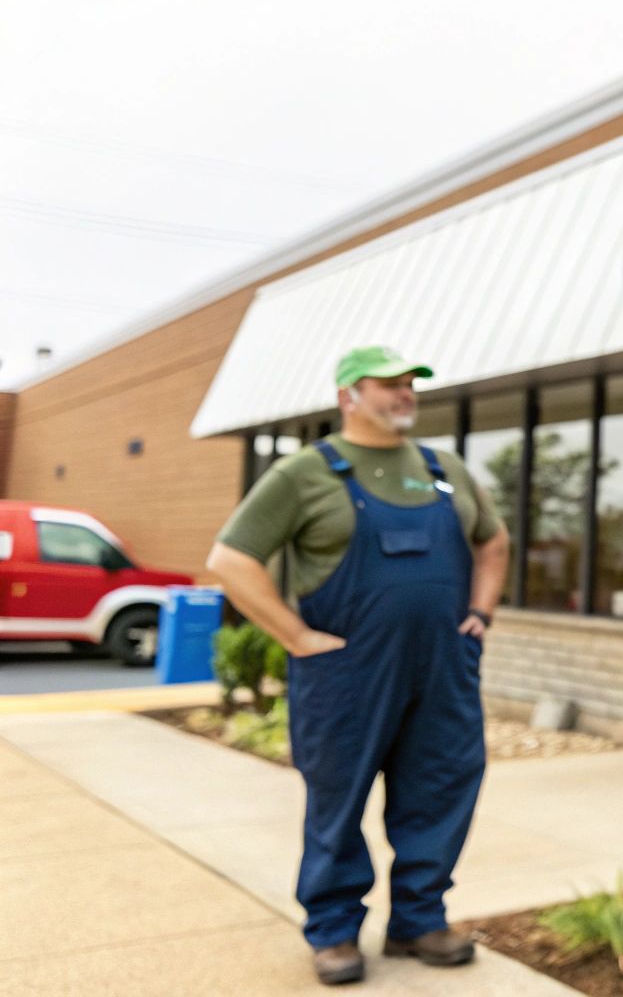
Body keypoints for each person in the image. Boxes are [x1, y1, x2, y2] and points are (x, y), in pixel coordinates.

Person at [206, 345, 510, 986]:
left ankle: (419, 922)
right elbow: (231, 560)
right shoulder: (306, 474)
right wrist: (293, 636)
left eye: (410, 385)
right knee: (337, 802)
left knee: (441, 791)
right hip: (345, 671)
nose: (405, 395)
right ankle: (335, 931)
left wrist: (479, 615)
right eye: (389, 385)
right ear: (348, 395)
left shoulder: (443, 467)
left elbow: (494, 540)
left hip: (443, 669)